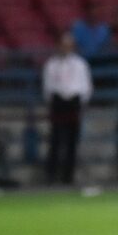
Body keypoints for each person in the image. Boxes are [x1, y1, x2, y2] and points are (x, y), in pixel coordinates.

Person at [42, 31, 93, 185]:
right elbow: (48, 87)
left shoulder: (80, 64)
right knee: (55, 140)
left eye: (68, 45)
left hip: (74, 102)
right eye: (63, 45)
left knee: (72, 141)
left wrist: (81, 103)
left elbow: (85, 86)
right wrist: (52, 102)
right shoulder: (51, 64)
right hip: (58, 102)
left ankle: (68, 176)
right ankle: (51, 175)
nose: (66, 48)